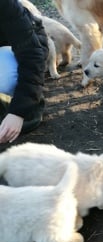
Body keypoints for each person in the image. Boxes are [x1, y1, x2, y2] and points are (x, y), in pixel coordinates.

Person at [0, 0, 48, 143]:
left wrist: (18, 112)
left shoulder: (6, 5)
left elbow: (32, 56)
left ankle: (31, 106)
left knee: (8, 78)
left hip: (19, 49)